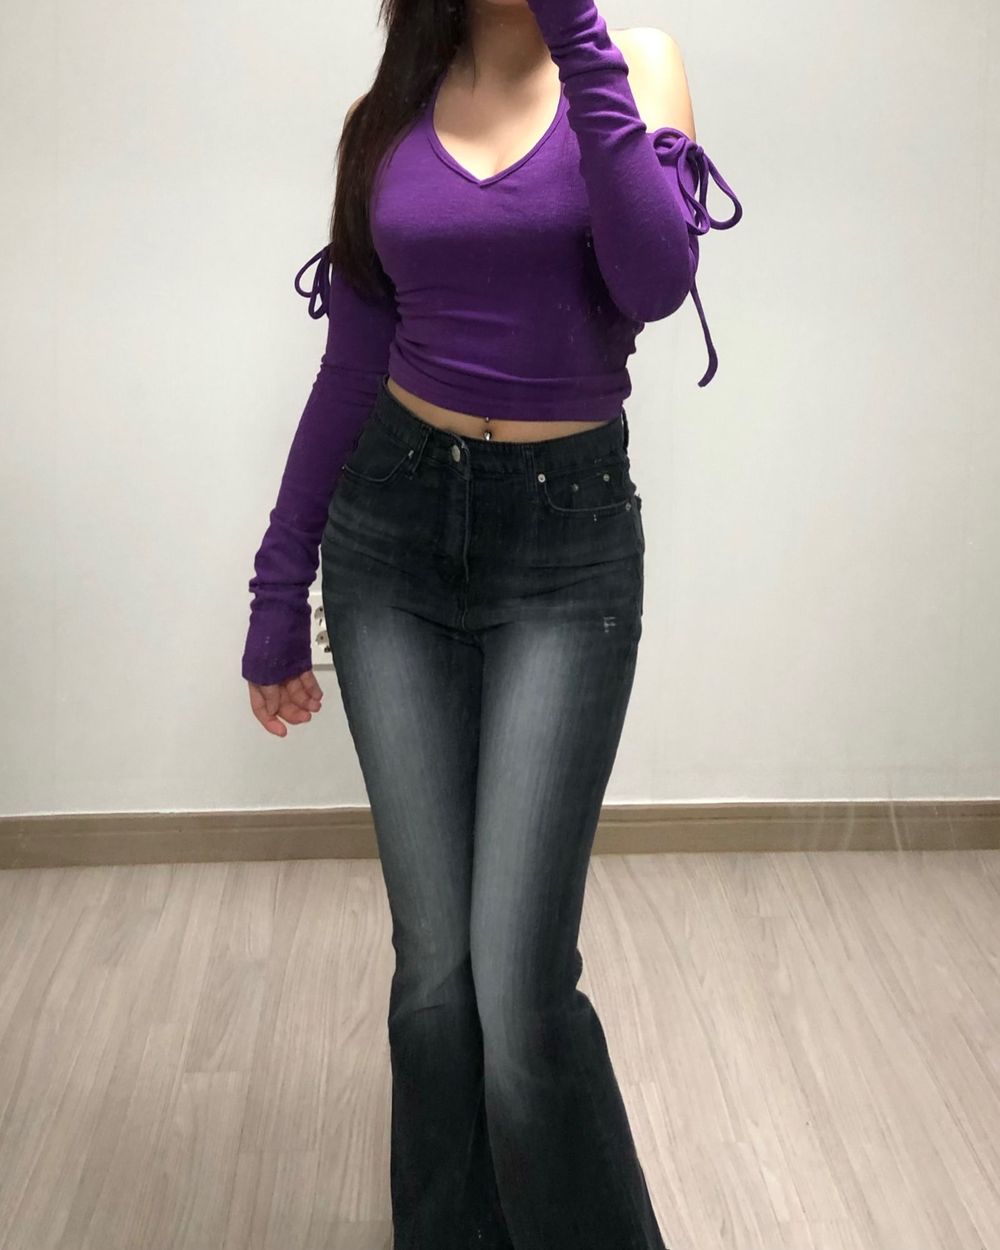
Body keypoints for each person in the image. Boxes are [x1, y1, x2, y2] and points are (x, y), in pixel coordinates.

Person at [242, 1, 742, 1245]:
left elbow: (654, 281)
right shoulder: (386, 115)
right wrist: (276, 584)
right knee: (434, 970)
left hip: (565, 550)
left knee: (520, 984)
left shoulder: (634, 66)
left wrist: (574, 31)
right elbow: (350, 370)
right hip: (391, 537)